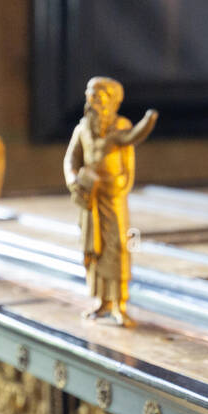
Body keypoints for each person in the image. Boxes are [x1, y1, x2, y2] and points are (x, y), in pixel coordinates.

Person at [64, 77, 158, 325]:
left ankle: (119, 303)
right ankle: (101, 301)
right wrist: (75, 179)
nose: (92, 100)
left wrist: (149, 121)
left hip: (112, 197)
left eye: (98, 95)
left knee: (117, 247)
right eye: (90, 94)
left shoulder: (121, 127)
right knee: (93, 249)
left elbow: (131, 143)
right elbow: (70, 161)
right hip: (90, 197)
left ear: (112, 101)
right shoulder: (82, 128)